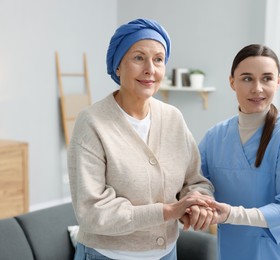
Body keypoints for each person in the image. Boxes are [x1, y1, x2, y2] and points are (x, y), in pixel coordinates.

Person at [67, 18, 214, 260]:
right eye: (138, 58)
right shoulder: (91, 122)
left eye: (158, 59)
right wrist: (167, 212)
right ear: (117, 66)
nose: (150, 69)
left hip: (167, 253)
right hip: (107, 255)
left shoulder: (173, 118)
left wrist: (198, 202)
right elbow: (92, 212)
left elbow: (195, 180)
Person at [196, 44, 280, 259]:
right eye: (247, 78)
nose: (257, 88)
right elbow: (197, 181)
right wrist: (199, 202)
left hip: (277, 252)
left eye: (266, 78)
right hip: (232, 249)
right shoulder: (215, 136)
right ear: (232, 82)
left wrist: (231, 214)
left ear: (278, 81)